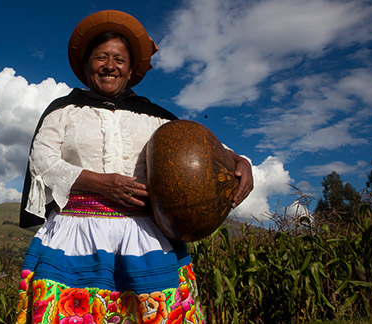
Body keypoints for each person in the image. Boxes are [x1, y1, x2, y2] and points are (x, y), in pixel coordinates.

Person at [15, 10, 253, 324]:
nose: (110, 65)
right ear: (87, 66)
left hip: (144, 237)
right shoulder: (63, 111)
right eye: (101, 57)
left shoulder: (156, 117)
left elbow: (200, 150)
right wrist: (100, 183)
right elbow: (41, 162)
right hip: (75, 235)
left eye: (119, 60)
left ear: (130, 72)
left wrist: (241, 162)